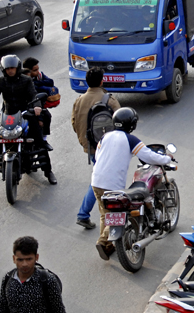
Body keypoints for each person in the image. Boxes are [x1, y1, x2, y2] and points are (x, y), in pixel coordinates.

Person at [91, 107, 171, 259]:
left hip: (96, 181)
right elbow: (148, 156)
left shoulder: (105, 137)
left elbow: (97, 156)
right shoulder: (130, 139)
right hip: (113, 185)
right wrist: (167, 159)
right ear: (131, 124)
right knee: (121, 213)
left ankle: (108, 246)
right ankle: (103, 241)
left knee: (105, 214)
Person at [0, 55, 57, 185]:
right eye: (8, 69)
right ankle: (0, 159)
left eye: (12, 68)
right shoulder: (1, 81)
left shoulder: (26, 80)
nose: (10, 71)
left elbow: (33, 95)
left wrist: (36, 107)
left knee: (39, 140)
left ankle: (48, 172)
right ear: (3, 69)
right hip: (8, 115)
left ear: (17, 68)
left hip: (25, 114)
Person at [71, 67, 121, 229]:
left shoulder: (79, 100)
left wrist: (86, 143)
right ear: (102, 81)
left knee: (99, 178)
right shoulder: (109, 100)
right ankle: (85, 214)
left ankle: (88, 215)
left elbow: (74, 123)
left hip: (91, 147)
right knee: (101, 181)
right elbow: (121, 122)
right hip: (107, 148)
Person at [0, 236, 65, 313]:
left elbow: (59, 310)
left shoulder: (48, 280)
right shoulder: (7, 279)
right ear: (14, 259)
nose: (24, 264)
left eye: (29, 259)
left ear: (36, 257)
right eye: (20, 260)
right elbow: (2, 309)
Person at [22, 57, 55, 147]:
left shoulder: (39, 76)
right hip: (26, 106)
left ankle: (44, 140)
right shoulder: (21, 80)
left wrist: (37, 83)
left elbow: (50, 82)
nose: (37, 72)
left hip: (38, 104)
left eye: (37, 69)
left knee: (47, 116)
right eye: (34, 70)